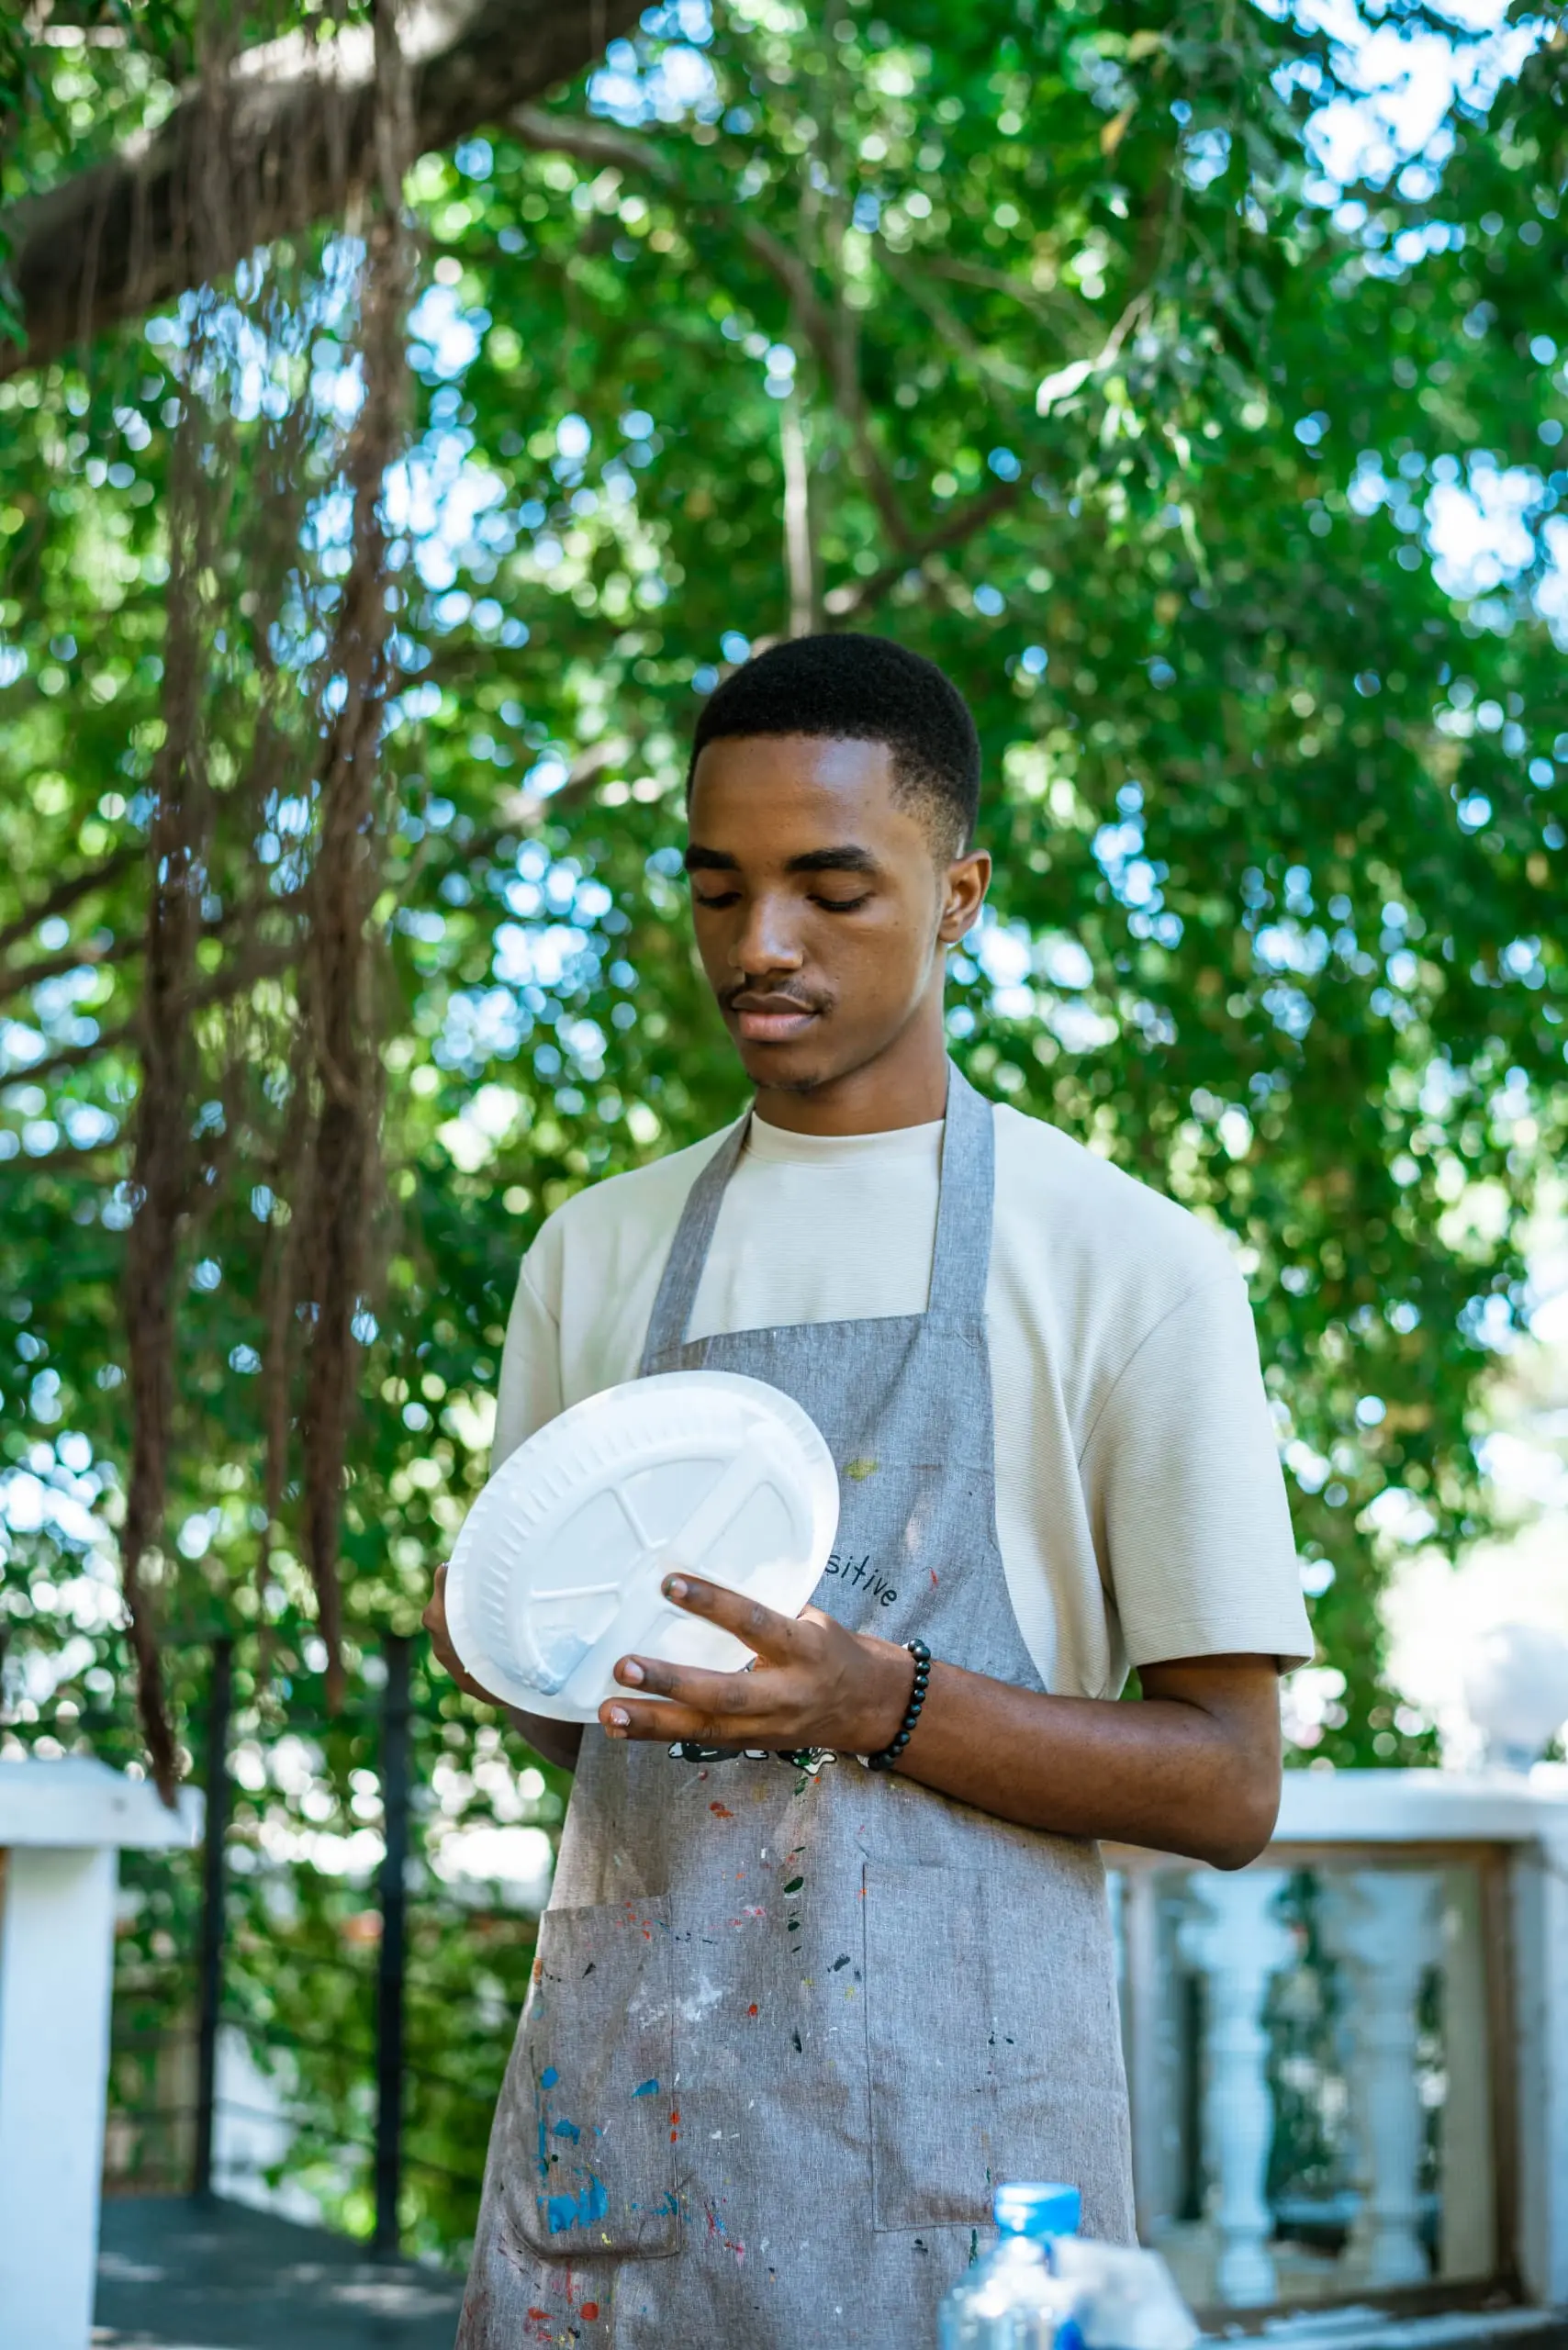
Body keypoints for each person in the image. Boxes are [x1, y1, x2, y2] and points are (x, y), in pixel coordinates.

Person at [428, 632, 1312, 2349]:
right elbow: (572, 1701)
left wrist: (872, 1703)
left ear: (959, 894)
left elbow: (1228, 1782)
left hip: (972, 2193)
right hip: (630, 2152)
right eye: (718, 890)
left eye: (832, 890)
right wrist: (517, 1651)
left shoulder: (1127, 1261)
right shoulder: (594, 1253)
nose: (761, 945)